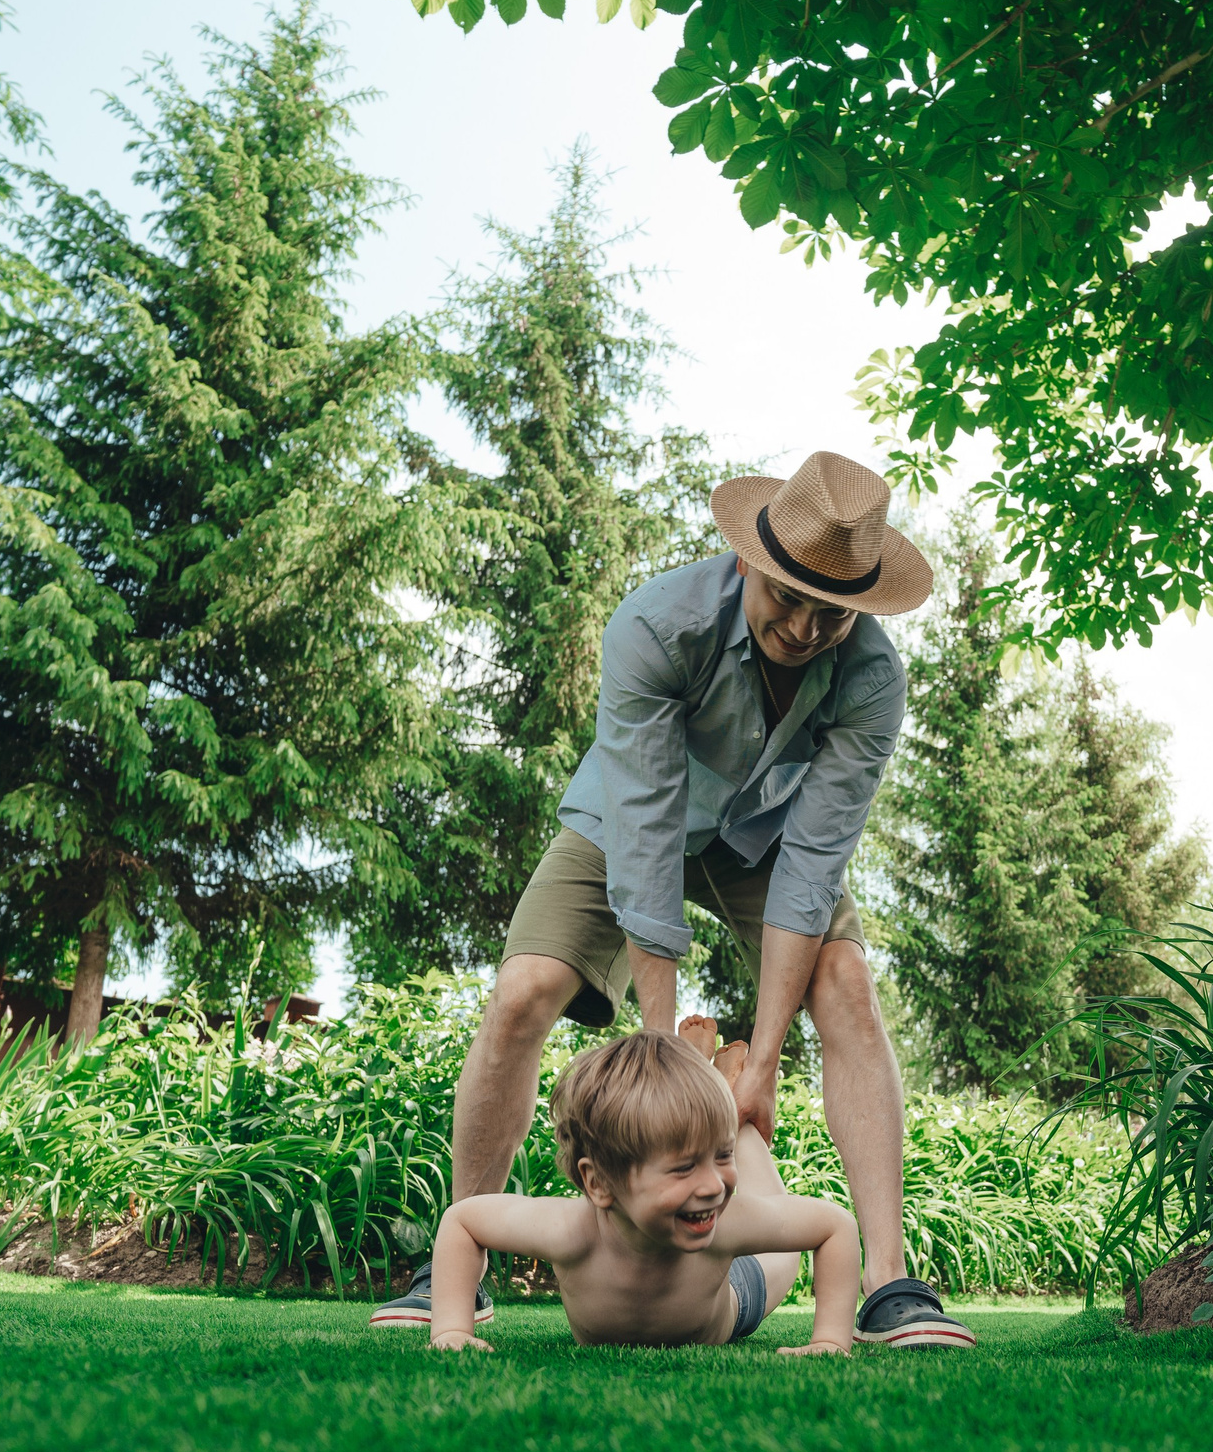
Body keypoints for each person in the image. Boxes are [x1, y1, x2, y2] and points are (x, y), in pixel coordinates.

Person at [371, 449, 974, 1348]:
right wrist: (663, 1057)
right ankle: (458, 1267)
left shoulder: (875, 681)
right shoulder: (658, 625)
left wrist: (760, 1059)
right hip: (631, 816)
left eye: (834, 612)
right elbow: (646, 837)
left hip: (764, 838)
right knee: (523, 990)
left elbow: (813, 865)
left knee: (846, 985)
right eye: (790, 598)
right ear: (749, 564)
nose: (808, 627)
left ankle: (888, 1282)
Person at [424, 1024, 857, 1354]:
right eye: (683, 1167)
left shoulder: (729, 1223)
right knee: (711, 1137)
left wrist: (831, 1339)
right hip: (704, 1252)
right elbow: (462, 1221)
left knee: (776, 1232)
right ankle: (716, 1096)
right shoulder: (567, 1229)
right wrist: (452, 1328)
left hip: (735, 1296)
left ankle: (731, 1110)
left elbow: (833, 1225)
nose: (712, 1186)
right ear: (599, 1183)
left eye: (721, 1159)